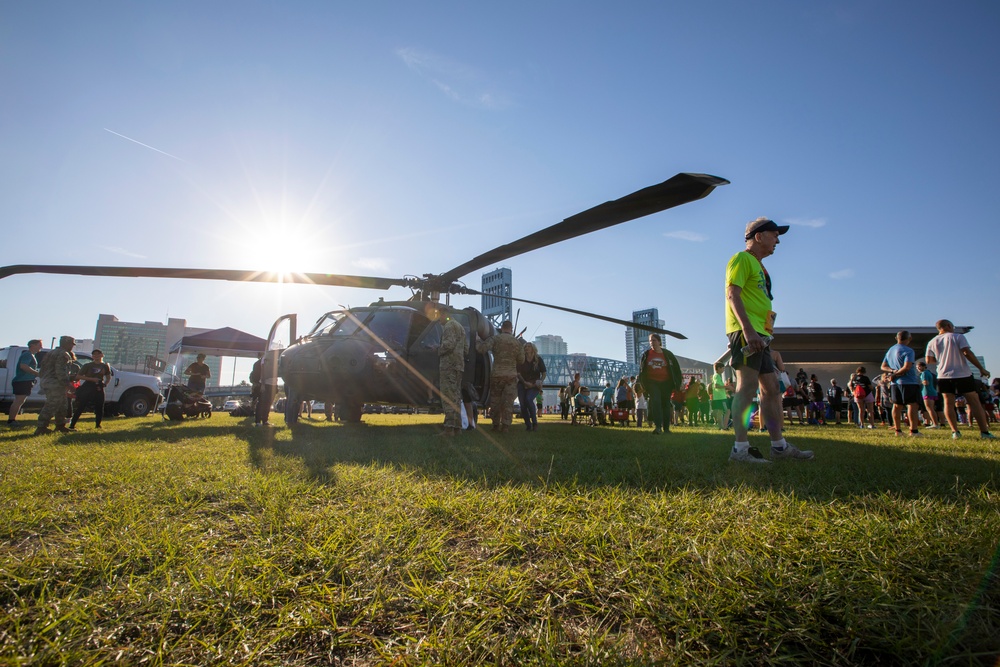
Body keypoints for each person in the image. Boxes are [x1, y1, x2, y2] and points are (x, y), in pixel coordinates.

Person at [725, 216, 812, 462]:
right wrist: (749, 332)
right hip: (747, 333)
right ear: (758, 236)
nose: (777, 241)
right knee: (747, 386)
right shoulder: (742, 259)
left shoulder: (759, 266)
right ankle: (740, 450)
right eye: (774, 235)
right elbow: (733, 295)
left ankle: (779, 447)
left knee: (772, 389)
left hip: (760, 335)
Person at [924, 319, 994, 439]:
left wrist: (942, 361)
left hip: (943, 375)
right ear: (949, 326)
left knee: (948, 403)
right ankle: (984, 432)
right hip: (962, 374)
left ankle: (955, 432)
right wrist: (981, 368)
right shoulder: (957, 337)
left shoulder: (932, 341)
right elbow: (967, 352)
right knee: (974, 402)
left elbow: (928, 360)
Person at [476, 320, 524, 433]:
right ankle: (506, 426)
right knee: (508, 402)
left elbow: (481, 349)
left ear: (502, 328)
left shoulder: (495, 339)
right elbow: (521, 360)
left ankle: (496, 425)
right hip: (511, 377)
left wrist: (477, 340)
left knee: (495, 401)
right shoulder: (517, 343)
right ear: (511, 329)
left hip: (497, 375)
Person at [637, 333, 682, 435]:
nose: (652, 343)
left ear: (659, 341)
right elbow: (642, 369)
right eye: (650, 341)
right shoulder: (646, 354)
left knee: (666, 404)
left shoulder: (668, 354)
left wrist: (678, 382)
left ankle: (666, 428)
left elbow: (676, 369)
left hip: (666, 383)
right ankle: (658, 427)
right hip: (652, 382)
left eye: (654, 340)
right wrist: (643, 383)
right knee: (656, 402)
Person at [880, 330, 923, 437]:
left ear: (896, 338)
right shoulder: (909, 351)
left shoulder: (890, 350)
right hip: (909, 382)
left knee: (897, 405)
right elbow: (907, 367)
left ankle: (898, 431)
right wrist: (895, 374)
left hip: (895, 384)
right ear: (909, 338)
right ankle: (914, 431)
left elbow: (883, 366)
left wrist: (892, 372)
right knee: (912, 405)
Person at [34, 336, 77, 435]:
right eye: (71, 344)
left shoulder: (51, 353)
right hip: (55, 383)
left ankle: (60, 425)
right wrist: (68, 384)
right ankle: (41, 427)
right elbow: (60, 371)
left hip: (47, 381)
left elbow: (43, 368)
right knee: (51, 405)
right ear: (66, 344)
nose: (72, 347)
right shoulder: (63, 354)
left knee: (62, 405)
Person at [68, 349, 112, 430]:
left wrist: (105, 384)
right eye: (94, 355)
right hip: (88, 386)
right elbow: (78, 376)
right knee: (81, 406)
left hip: (99, 387)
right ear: (92, 356)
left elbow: (108, 377)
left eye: (98, 354)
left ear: (102, 355)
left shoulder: (105, 366)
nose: (96, 356)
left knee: (100, 406)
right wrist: (91, 379)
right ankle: (72, 425)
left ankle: (98, 425)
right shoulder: (87, 366)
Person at [8, 339, 42, 426]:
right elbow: (23, 366)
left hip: (25, 381)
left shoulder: (31, 355)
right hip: (22, 380)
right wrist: (36, 373)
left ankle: (12, 419)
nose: (41, 347)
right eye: (39, 345)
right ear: (33, 345)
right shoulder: (27, 354)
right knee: (18, 401)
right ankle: (11, 420)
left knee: (20, 401)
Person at [516, 342, 546, 432]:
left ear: (533, 348)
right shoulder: (521, 360)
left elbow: (544, 373)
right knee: (522, 404)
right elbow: (518, 373)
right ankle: (528, 425)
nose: (527, 348)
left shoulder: (538, 359)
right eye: (525, 347)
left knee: (528, 399)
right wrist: (524, 382)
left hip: (535, 385)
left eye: (529, 346)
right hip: (522, 383)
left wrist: (540, 381)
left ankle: (535, 423)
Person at [915, 361, 941, 428]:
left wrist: (920, 383)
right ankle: (935, 423)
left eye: (919, 366)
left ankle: (935, 424)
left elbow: (926, 382)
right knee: (931, 408)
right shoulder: (929, 372)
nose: (918, 368)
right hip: (932, 391)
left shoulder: (924, 373)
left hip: (927, 392)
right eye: (917, 367)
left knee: (929, 408)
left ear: (923, 366)